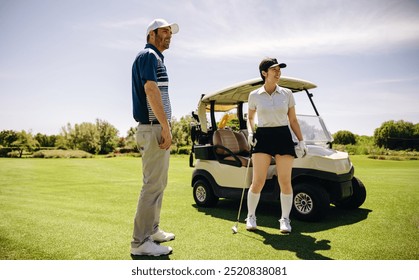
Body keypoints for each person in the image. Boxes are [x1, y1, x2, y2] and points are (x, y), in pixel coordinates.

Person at [130, 18, 179, 256]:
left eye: (171, 32)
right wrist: (165, 126)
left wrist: (165, 125)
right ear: (152, 34)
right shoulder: (148, 56)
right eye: (165, 31)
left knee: (159, 183)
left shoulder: (157, 58)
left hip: (156, 127)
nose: (169, 35)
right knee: (152, 185)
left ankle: (153, 230)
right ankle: (140, 242)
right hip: (152, 128)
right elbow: (151, 90)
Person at [246, 58, 308, 234]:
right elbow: (250, 118)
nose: (278, 72)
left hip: (283, 136)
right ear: (264, 73)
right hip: (263, 136)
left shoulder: (287, 93)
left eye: (279, 69)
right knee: (258, 181)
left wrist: (301, 140)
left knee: (285, 181)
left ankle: (285, 219)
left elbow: (293, 120)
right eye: (274, 69)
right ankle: (251, 216)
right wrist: (251, 132)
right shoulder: (254, 95)